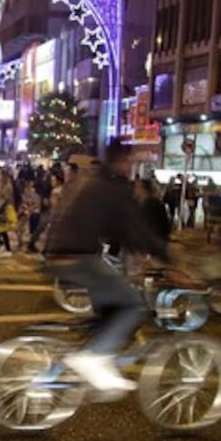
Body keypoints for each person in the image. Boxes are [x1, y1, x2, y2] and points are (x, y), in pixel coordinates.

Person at [45, 140, 180, 392]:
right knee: (133, 305)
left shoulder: (98, 182)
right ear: (121, 160)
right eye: (129, 161)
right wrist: (166, 259)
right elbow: (132, 228)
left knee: (109, 310)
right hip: (79, 256)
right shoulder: (113, 188)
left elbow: (119, 229)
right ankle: (93, 358)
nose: (131, 166)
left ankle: (77, 360)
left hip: (68, 253)